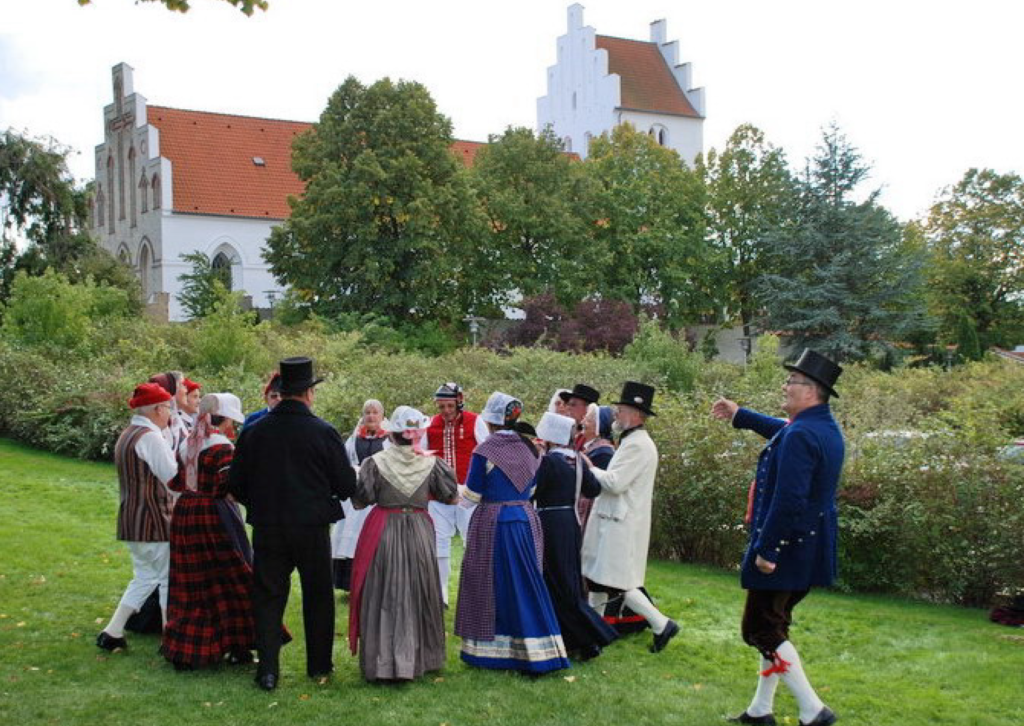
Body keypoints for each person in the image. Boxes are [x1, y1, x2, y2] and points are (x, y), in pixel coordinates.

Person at [712, 349, 844, 726]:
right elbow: (781, 431)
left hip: (787, 548)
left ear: (813, 390)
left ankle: (813, 709)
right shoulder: (818, 427)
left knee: (760, 628)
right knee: (773, 625)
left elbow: (789, 500)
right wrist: (741, 414)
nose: (786, 386)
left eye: (793, 381)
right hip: (807, 547)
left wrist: (767, 549)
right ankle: (760, 710)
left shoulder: (803, 433)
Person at [229, 357, 356, 691]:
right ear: (309, 393)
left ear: (282, 392)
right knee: (317, 596)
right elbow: (345, 485)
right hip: (312, 526)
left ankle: (268, 670)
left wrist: (258, 504)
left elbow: (236, 483)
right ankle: (318, 665)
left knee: (268, 596)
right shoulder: (323, 432)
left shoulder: (254, 431)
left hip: (269, 525)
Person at [455, 392, 570, 674]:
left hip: (494, 521)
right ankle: (540, 648)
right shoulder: (531, 448)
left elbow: (471, 495)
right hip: (525, 518)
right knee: (527, 582)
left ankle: (491, 652)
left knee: (491, 584)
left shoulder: (484, 450)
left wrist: (448, 490)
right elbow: (530, 490)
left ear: (490, 420)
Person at [348, 406, 457, 682]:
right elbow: (451, 496)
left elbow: (361, 500)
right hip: (419, 529)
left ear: (392, 433)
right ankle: (420, 659)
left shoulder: (375, 462)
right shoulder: (432, 463)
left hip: (384, 528)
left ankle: (384, 662)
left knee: (385, 590)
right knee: (419, 588)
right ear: (416, 433)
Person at [581, 382, 679, 653]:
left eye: (621, 410)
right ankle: (595, 634)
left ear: (636, 414)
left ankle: (661, 624)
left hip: (620, 522)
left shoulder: (639, 445)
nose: (616, 414)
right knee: (599, 578)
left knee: (618, 582)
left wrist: (589, 468)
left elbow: (615, 483)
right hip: (614, 519)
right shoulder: (632, 441)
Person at [161, 393, 254, 670]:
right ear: (224, 419)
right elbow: (229, 487)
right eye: (230, 421)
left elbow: (176, 481)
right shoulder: (221, 447)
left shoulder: (188, 443)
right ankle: (237, 644)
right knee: (229, 575)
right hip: (214, 514)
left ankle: (187, 650)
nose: (231, 427)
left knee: (191, 580)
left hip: (185, 512)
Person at [96, 382, 178, 652]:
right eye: (167, 407)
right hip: (154, 519)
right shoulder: (150, 437)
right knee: (166, 579)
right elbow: (172, 479)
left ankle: (112, 632)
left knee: (144, 576)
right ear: (157, 409)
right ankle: (170, 639)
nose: (170, 413)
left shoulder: (128, 433)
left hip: (132, 518)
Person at [532, 411, 618, 660]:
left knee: (557, 581)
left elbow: (532, 490)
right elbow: (593, 489)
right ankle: (574, 638)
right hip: (571, 520)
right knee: (569, 578)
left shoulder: (547, 462)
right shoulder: (578, 460)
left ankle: (592, 635)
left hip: (550, 521)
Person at [424, 382, 488, 606]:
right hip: (438, 494)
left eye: (449, 406)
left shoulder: (475, 420)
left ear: (459, 402)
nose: (446, 411)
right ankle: (441, 593)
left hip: (468, 493)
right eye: (441, 407)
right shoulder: (430, 424)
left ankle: (474, 593)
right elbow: (422, 456)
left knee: (472, 541)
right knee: (439, 541)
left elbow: (487, 451)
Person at [331, 399, 389, 590]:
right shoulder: (355, 438)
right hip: (357, 497)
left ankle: (377, 583)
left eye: (375, 412)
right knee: (353, 540)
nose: (371, 416)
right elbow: (344, 461)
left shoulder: (390, 439)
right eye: (367, 412)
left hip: (380, 496)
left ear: (382, 415)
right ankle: (352, 583)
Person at [578, 403, 615, 529]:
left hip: (592, 513)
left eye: (587, 419)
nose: (582, 421)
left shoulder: (603, 452)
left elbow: (597, 488)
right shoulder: (591, 449)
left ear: (597, 426)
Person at [149, 371, 191, 453]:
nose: (186, 390)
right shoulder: (160, 424)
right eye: (182, 385)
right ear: (172, 390)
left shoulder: (176, 420)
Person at [558, 383, 600, 450]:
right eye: (568, 404)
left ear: (588, 407)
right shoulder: (569, 432)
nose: (568, 408)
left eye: (573, 404)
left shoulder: (593, 437)